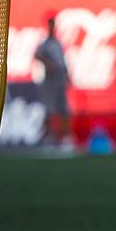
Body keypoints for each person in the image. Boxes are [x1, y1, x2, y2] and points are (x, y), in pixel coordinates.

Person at [34, 16, 72, 149]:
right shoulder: (45, 43)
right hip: (50, 80)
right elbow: (37, 55)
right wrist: (47, 63)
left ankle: (65, 137)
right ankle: (48, 137)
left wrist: (67, 75)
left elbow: (62, 60)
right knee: (49, 109)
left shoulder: (57, 43)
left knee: (64, 109)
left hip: (60, 78)